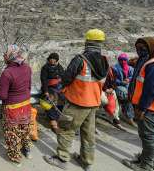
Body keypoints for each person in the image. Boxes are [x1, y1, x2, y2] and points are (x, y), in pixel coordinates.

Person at [44, 29, 109, 171]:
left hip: (78, 102)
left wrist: (59, 89)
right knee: (88, 133)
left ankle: (62, 159)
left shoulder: (80, 59)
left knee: (66, 129)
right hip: (94, 103)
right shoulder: (104, 61)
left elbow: (67, 78)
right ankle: (87, 162)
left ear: (87, 42)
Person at [123, 37, 154, 171]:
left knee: (148, 136)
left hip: (150, 107)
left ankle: (146, 165)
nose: (139, 50)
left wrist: (141, 108)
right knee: (153, 135)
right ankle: (152, 162)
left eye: (143, 48)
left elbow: (151, 89)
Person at [0, 44, 32, 167]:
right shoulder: (27, 68)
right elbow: (29, 87)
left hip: (12, 108)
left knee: (12, 132)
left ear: (10, 56)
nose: (4, 56)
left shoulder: (7, 73)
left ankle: (16, 157)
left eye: (5, 54)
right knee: (25, 128)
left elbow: (2, 96)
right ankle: (27, 150)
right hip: (26, 105)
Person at [40, 52, 65, 134]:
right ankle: (54, 125)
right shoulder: (45, 68)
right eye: (51, 59)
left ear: (57, 60)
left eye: (54, 59)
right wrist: (46, 91)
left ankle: (58, 122)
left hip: (59, 90)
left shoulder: (60, 67)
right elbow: (44, 80)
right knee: (50, 106)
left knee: (60, 105)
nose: (52, 61)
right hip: (49, 89)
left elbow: (63, 78)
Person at [112, 53, 135, 126]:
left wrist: (128, 79)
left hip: (127, 86)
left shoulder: (130, 68)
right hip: (118, 87)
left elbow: (133, 76)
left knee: (128, 99)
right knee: (124, 98)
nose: (123, 62)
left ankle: (129, 117)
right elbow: (113, 79)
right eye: (121, 60)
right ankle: (116, 119)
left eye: (124, 60)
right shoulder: (115, 68)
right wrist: (121, 82)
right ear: (118, 60)